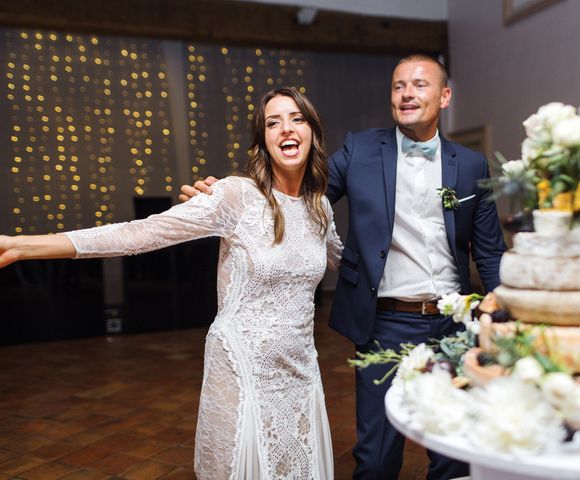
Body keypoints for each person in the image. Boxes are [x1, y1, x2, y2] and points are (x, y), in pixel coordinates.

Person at [181, 55, 506, 480]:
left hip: (454, 325)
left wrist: (502, 315)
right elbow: (295, 197)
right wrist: (230, 193)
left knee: (454, 451)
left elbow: (490, 252)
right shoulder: (361, 149)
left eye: (420, 85)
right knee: (376, 457)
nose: (407, 93)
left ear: (444, 96)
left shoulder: (472, 165)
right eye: (398, 86)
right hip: (386, 321)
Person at [0, 87, 342, 480]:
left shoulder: (320, 208)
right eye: (273, 121)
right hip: (243, 365)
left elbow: (344, 262)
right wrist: (23, 246)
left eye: (297, 118)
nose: (286, 128)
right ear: (262, 140)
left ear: (312, 131)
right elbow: (139, 234)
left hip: (299, 370)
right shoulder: (236, 195)